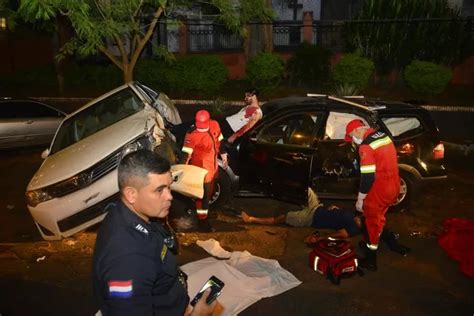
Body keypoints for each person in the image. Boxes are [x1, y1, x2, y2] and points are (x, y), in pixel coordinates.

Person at [93, 149, 217, 315]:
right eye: (159, 190)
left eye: (169, 187)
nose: (169, 196)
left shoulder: (130, 213)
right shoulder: (127, 259)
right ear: (131, 194)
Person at [345, 119, 400, 271]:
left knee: (371, 224)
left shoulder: (366, 146)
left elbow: (368, 177)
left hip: (379, 190)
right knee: (380, 217)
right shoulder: (383, 135)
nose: (353, 141)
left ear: (357, 131)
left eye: (351, 136)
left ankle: (371, 259)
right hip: (394, 186)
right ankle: (371, 243)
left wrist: (360, 198)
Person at [241, 188, 362, 241]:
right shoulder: (354, 215)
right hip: (317, 206)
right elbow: (340, 214)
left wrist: (320, 238)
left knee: (282, 218)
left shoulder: (354, 228)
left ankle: (251, 219)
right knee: (306, 188)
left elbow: (341, 234)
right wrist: (336, 208)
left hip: (311, 218)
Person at [181, 110, 228, 227]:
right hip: (200, 168)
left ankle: (205, 213)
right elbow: (186, 154)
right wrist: (182, 169)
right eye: (199, 127)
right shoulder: (191, 134)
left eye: (203, 127)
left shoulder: (215, 125)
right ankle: (202, 220)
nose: (201, 129)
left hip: (213, 166)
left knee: (210, 191)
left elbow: (220, 141)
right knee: (202, 194)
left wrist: (224, 156)